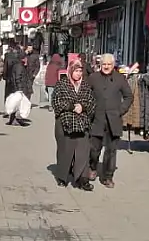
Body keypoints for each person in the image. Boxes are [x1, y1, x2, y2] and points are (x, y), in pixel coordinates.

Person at [87, 54, 133, 189]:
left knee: (111, 151)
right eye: (104, 64)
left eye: (109, 64)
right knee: (94, 149)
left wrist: (121, 110)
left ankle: (108, 176)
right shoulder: (93, 78)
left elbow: (128, 96)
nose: (106, 66)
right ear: (100, 65)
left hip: (114, 120)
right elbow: (85, 94)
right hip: (97, 119)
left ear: (113, 65)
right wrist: (90, 109)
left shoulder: (120, 79)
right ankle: (92, 166)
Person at [52, 60, 96, 190]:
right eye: (76, 71)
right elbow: (56, 102)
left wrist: (82, 107)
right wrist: (72, 107)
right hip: (65, 123)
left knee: (83, 152)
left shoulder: (86, 86)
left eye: (80, 71)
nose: (78, 73)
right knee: (65, 151)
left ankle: (83, 179)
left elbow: (92, 103)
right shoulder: (62, 84)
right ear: (70, 71)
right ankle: (62, 177)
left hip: (82, 123)